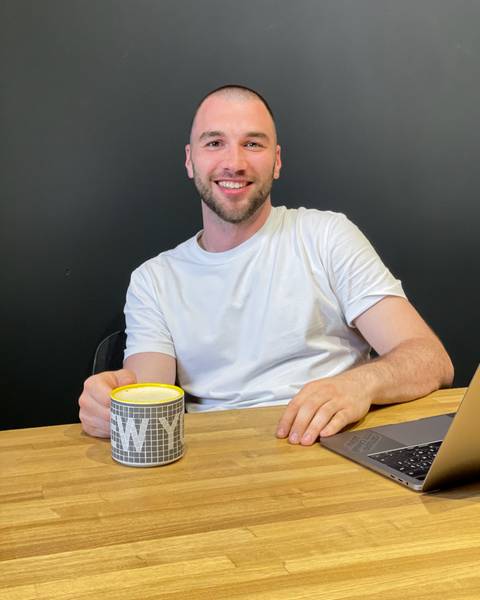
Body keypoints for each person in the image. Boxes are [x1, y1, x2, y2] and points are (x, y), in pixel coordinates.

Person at [79, 84, 454, 445]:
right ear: (190, 160)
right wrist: (109, 406)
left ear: (276, 161)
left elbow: (431, 360)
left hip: (333, 450)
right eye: (214, 143)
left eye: (253, 144)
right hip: (216, 461)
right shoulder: (154, 280)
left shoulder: (326, 237)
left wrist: (361, 385)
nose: (234, 163)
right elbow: (146, 396)